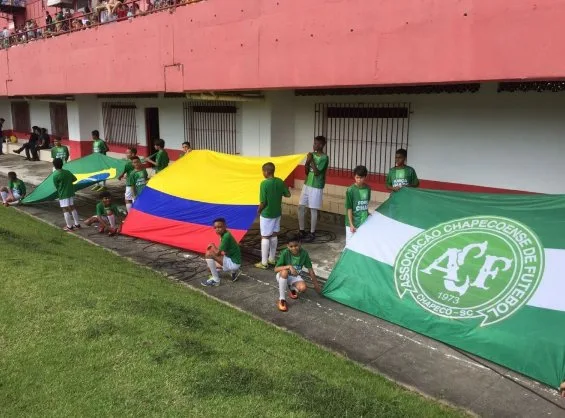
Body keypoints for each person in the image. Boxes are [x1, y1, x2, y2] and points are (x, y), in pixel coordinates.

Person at [255, 162, 290, 270]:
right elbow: (288, 194)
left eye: (263, 171)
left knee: (265, 236)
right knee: (274, 235)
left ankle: (264, 262)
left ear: (266, 171)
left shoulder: (264, 184)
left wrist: (259, 210)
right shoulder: (280, 181)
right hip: (277, 213)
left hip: (267, 214)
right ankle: (272, 259)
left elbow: (263, 202)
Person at [273, 234, 321, 312]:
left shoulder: (304, 253)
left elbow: (310, 270)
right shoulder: (285, 253)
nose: (294, 248)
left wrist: (316, 284)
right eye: (291, 246)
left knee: (303, 288)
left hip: (294, 277)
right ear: (287, 246)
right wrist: (289, 266)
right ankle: (282, 299)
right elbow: (276, 269)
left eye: (296, 245)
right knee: (285, 272)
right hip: (282, 276)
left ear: (300, 243)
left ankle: (292, 288)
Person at [298, 135, 329, 242]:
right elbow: (307, 171)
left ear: (322, 145)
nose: (314, 145)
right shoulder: (312, 155)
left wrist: (311, 161)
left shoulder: (324, 157)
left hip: (316, 186)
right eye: (314, 143)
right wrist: (307, 162)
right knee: (301, 207)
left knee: (313, 209)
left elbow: (317, 172)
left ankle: (312, 232)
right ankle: (301, 230)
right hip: (307, 184)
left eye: (316, 143)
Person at [201, 218, 242, 287]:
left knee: (209, 254)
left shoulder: (226, 236)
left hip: (234, 263)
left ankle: (216, 280)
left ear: (225, 226)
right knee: (209, 267)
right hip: (233, 260)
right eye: (215, 227)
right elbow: (224, 251)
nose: (217, 229)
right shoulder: (225, 234)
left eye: (219, 227)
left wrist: (212, 245)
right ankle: (233, 272)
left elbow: (217, 253)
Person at [52, 158, 81, 231]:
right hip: (70, 192)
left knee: (65, 209)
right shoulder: (67, 172)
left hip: (63, 193)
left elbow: (56, 186)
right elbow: (75, 179)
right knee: (72, 207)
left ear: (54, 166)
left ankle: (69, 226)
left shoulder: (55, 175)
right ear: (62, 164)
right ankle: (77, 224)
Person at [345, 165, 371, 245]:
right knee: (350, 245)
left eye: (361, 178)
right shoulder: (350, 190)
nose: (359, 180)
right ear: (354, 177)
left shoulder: (368, 189)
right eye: (357, 177)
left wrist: (368, 213)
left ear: (365, 177)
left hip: (364, 221)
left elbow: (366, 203)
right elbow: (349, 208)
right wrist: (351, 224)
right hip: (353, 223)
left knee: (362, 244)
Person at [118, 147, 137, 212]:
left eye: (128, 153)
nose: (126, 154)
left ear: (133, 154)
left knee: (128, 199)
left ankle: (130, 215)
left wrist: (120, 177)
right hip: (137, 182)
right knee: (135, 196)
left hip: (130, 183)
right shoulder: (138, 161)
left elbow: (121, 175)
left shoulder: (128, 163)